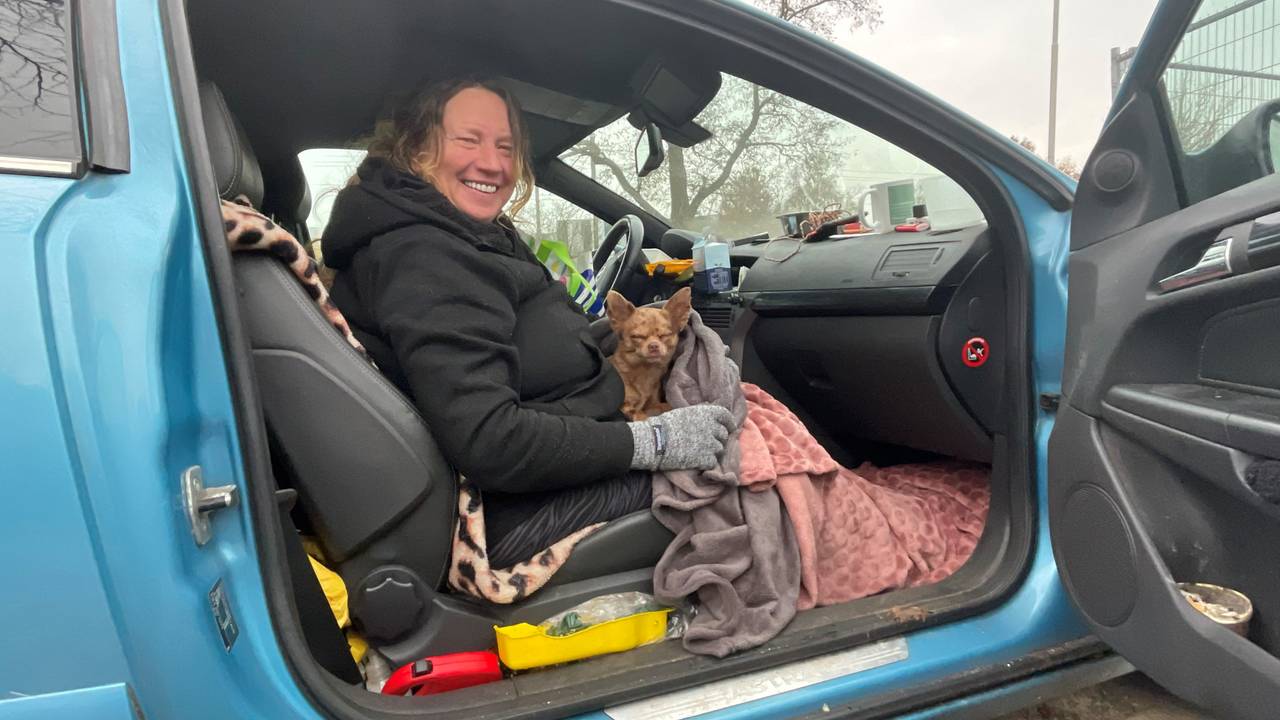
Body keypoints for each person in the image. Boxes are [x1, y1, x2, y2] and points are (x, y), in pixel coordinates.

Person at [321, 77, 734, 567]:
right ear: (416, 148)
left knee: (748, 431)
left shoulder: (468, 232)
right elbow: (491, 441)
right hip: (512, 512)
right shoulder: (425, 256)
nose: (493, 164)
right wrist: (656, 441)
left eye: (505, 147)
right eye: (468, 140)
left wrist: (632, 330)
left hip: (566, 453)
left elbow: (528, 346)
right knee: (755, 473)